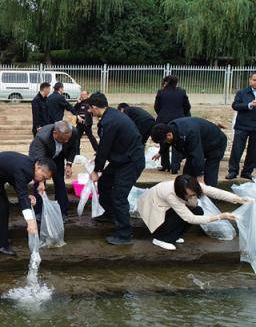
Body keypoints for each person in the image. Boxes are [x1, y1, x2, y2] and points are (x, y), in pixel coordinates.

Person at [0, 152, 55, 256]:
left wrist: (26, 196)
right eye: (43, 177)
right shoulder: (26, 169)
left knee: (3, 206)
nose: (42, 181)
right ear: (38, 168)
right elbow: (21, 194)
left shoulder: (30, 165)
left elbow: (18, 183)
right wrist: (30, 222)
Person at [88, 92, 145, 245]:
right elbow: (107, 146)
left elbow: (105, 147)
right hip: (122, 159)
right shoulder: (111, 115)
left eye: (89, 109)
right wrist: (99, 159)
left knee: (119, 196)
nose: (89, 112)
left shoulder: (110, 121)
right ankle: (110, 214)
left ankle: (124, 234)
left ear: (94, 107)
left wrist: (96, 170)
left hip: (131, 162)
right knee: (105, 182)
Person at [138, 175, 244, 250]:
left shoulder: (192, 185)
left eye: (194, 194)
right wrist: (221, 216)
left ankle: (172, 236)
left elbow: (215, 192)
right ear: (180, 192)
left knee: (198, 210)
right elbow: (190, 218)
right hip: (153, 208)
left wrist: (238, 199)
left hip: (165, 206)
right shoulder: (171, 195)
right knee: (182, 216)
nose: (193, 197)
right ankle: (160, 238)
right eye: (190, 195)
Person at [151, 117, 227, 187]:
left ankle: (209, 197)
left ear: (169, 135)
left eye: (165, 140)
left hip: (216, 143)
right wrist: (160, 152)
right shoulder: (171, 128)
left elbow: (197, 155)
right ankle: (186, 194)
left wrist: (200, 177)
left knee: (209, 173)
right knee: (187, 174)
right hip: (201, 142)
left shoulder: (190, 132)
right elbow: (167, 143)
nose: (166, 142)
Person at [29, 120, 79, 221]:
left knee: (60, 181)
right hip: (43, 157)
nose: (65, 141)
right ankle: (38, 212)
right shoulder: (42, 138)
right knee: (38, 184)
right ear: (55, 133)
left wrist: (69, 165)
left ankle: (62, 212)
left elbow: (73, 148)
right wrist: (41, 181)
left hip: (58, 157)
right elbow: (38, 160)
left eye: (67, 139)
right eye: (62, 139)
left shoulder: (73, 132)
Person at [154, 75, 190, 173]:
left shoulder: (161, 92)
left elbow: (156, 107)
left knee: (164, 141)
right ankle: (175, 167)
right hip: (178, 121)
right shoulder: (182, 92)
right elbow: (187, 106)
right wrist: (183, 115)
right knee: (177, 141)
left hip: (163, 120)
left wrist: (162, 114)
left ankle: (165, 165)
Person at [227, 72, 256, 180]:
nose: (255, 82)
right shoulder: (242, 92)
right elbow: (235, 105)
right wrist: (249, 105)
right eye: (254, 80)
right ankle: (233, 171)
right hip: (242, 126)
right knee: (237, 149)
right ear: (250, 80)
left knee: (253, 151)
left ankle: (247, 172)